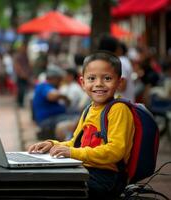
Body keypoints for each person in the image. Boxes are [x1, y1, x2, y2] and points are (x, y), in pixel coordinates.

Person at [28, 51, 135, 199]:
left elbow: (115, 151)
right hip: (87, 170)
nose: (99, 83)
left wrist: (73, 153)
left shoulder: (118, 109)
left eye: (107, 78)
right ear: (83, 83)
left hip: (107, 178)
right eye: (92, 78)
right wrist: (52, 144)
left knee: (56, 190)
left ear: (120, 82)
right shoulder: (89, 110)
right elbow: (75, 142)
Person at [32, 66, 71, 139]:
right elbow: (52, 95)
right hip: (48, 121)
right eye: (59, 79)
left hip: (51, 119)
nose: (60, 82)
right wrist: (65, 97)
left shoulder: (44, 86)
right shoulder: (44, 86)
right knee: (76, 120)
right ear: (53, 79)